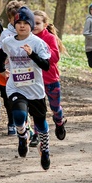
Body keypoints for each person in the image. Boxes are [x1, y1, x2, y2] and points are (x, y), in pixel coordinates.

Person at [0, 6, 53, 170]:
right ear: (14, 24)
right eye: (18, 22)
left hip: (35, 89)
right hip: (16, 87)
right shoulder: (8, 42)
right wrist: (2, 68)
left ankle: (45, 148)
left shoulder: (37, 43)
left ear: (30, 25)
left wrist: (31, 55)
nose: (22, 26)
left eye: (25, 23)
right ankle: (23, 135)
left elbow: (46, 65)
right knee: (19, 115)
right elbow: (1, 55)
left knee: (41, 123)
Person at [33, 10, 67, 141]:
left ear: (45, 24)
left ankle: (59, 122)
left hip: (51, 79)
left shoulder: (50, 38)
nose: (34, 26)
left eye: (38, 23)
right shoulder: (28, 38)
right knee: (38, 110)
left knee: (55, 107)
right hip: (35, 81)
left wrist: (40, 51)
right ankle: (37, 134)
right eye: (32, 23)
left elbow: (55, 57)